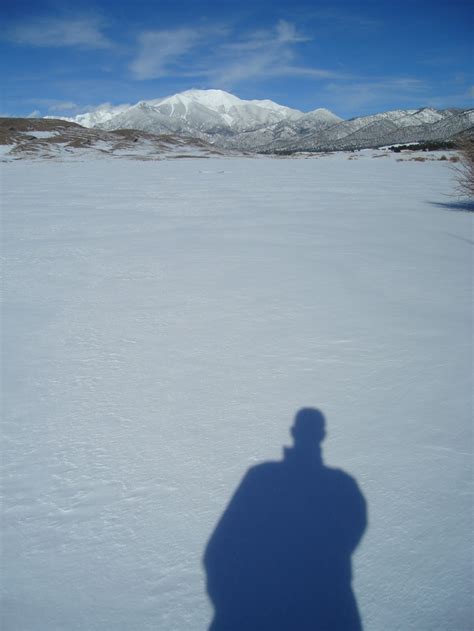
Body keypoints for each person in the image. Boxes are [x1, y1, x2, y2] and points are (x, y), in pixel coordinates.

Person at [204, 408, 367, 630]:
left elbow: (219, 550)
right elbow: (220, 550)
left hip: (282, 608)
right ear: (322, 435)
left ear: (294, 431)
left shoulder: (264, 479)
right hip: (314, 610)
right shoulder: (341, 486)